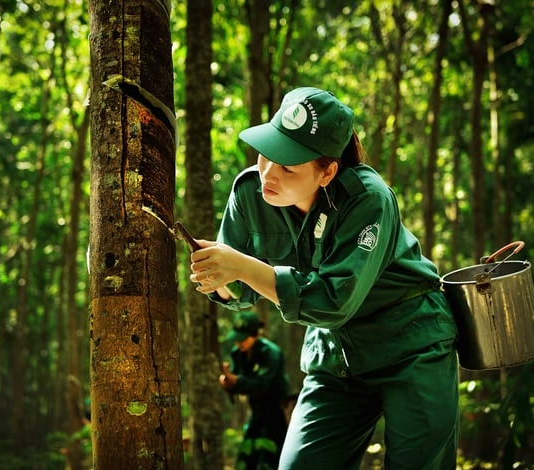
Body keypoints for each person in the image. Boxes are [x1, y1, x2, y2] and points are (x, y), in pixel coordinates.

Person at [188, 87, 459, 469]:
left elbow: (332, 301)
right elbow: (238, 290)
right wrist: (221, 280)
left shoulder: (367, 198)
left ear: (328, 171)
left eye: (288, 167)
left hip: (410, 346)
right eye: (266, 155)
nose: (268, 173)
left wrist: (245, 268)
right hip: (336, 359)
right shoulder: (250, 192)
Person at [220, 311, 290, 470]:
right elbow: (238, 383)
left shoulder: (271, 353)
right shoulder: (237, 353)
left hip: (276, 413)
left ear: (255, 335)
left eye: (243, 338)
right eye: (237, 338)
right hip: (256, 413)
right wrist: (228, 383)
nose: (239, 343)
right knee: (245, 460)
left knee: (272, 459)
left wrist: (234, 379)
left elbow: (261, 385)